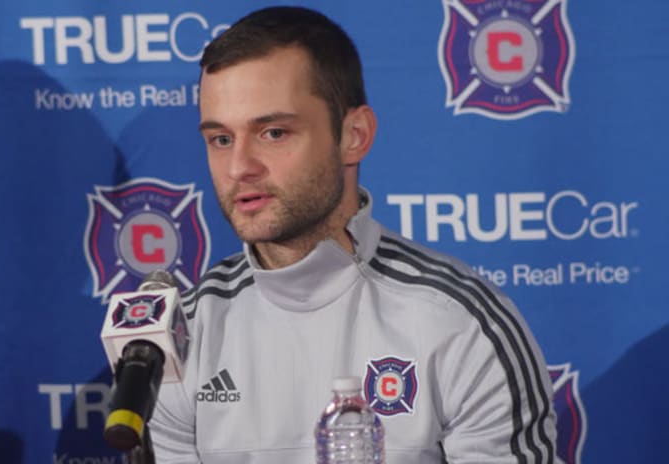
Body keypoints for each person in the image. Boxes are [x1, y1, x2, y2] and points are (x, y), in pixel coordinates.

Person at [149, 6, 558, 463]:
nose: (240, 167)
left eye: (274, 132)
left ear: (354, 136)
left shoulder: (459, 323)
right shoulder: (187, 331)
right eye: (221, 139)